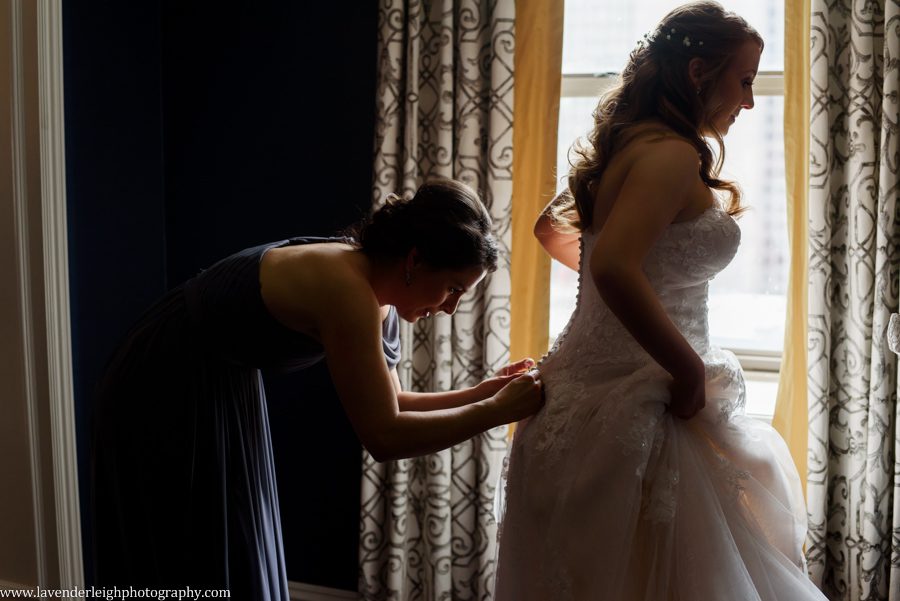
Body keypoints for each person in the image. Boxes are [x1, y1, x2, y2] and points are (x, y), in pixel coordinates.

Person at [494, 3, 826, 599]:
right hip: (641, 404)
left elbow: (557, 232)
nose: (749, 102)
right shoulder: (670, 155)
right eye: (744, 81)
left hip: (577, 392)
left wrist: (639, 289)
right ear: (699, 72)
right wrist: (687, 366)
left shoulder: (629, 144)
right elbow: (614, 267)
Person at [90, 177, 543, 600]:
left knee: (225, 539)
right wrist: (497, 413)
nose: (450, 307)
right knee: (182, 542)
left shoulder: (379, 298)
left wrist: (483, 391)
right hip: (166, 378)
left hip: (222, 378)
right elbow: (384, 436)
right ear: (414, 261)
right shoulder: (345, 289)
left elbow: (394, 402)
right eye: (452, 288)